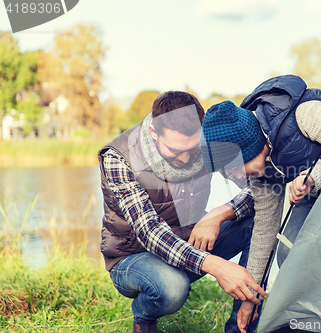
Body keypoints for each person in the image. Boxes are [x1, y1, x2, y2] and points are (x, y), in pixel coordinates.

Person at [200, 74, 321, 332]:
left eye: (235, 168)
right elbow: (265, 232)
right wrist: (250, 300)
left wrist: (315, 176)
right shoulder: (261, 172)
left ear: (250, 147)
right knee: (291, 251)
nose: (237, 177)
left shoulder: (304, 115)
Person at [97, 91, 267, 333]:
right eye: (176, 150)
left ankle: (239, 328)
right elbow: (149, 232)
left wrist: (221, 213)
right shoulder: (118, 158)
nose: (186, 158)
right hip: (133, 255)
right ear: (154, 132)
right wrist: (217, 267)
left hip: (188, 242)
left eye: (193, 147)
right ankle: (144, 316)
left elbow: (260, 188)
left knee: (257, 221)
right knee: (172, 289)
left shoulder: (207, 139)